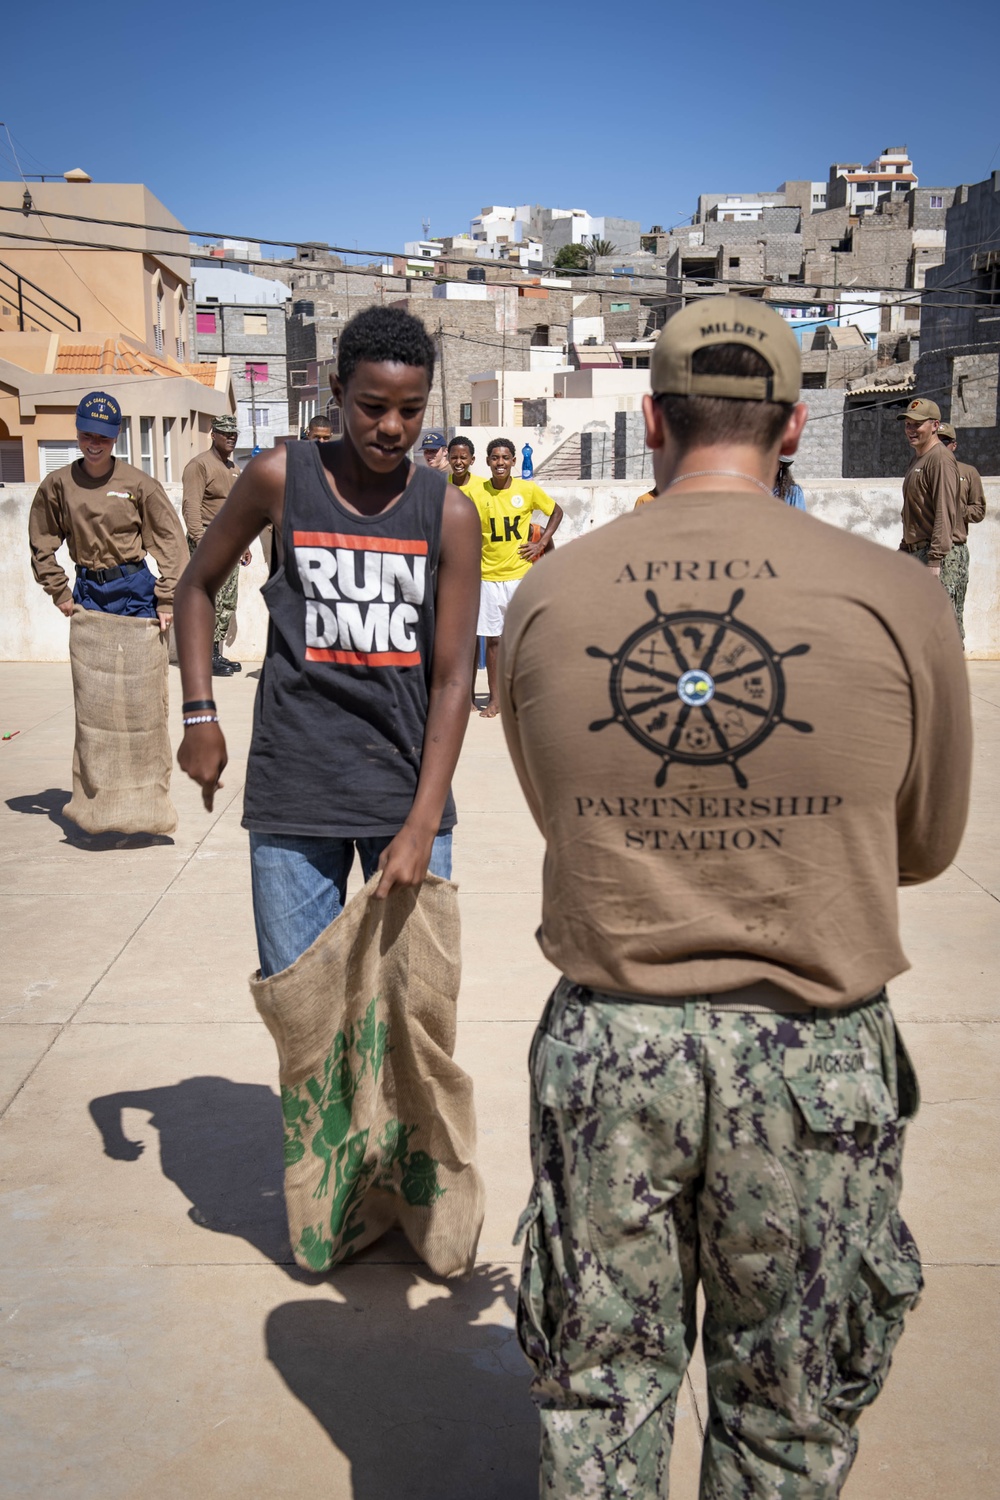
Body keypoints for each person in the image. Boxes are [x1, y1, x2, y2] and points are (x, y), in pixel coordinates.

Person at [499, 297, 971, 1498]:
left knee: (596, 1404)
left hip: (610, 1049)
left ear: (650, 420)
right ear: (796, 427)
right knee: (791, 1414)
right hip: (817, 1058)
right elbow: (921, 843)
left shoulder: (548, 599)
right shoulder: (905, 598)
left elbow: (564, 816)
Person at [173, 305, 481, 979]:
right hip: (294, 792)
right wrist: (200, 714)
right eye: (372, 406)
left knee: (406, 1025)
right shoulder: (281, 478)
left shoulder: (449, 513)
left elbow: (454, 679)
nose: (393, 427)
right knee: (302, 1012)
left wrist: (423, 824)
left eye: (412, 409)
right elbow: (194, 588)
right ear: (338, 392)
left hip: (404, 794)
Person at [29, 390, 185, 629]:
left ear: (116, 435)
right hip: (88, 592)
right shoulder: (58, 485)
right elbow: (41, 540)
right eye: (87, 435)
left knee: (141, 665)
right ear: (77, 431)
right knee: (92, 666)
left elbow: (170, 542)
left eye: (103, 437)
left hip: (135, 591)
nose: (94, 444)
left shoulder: (141, 484)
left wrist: (167, 599)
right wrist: (58, 590)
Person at [474, 437, 563, 718]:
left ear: (514, 461)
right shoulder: (478, 492)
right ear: (488, 461)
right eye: (495, 457)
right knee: (494, 642)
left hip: (519, 575)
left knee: (527, 638)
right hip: (488, 577)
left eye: (505, 458)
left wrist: (541, 542)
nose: (500, 462)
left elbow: (556, 511)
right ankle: (495, 700)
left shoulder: (528, 489)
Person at [181, 414, 249, 677]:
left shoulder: (232, 468)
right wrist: (200, 543)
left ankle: (215, 655)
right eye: (225, 433)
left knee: (226, 602)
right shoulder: (199, 466)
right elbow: (191, 509)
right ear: (213, 435)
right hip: (208, 542)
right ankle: (204, 658)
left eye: (234, 433)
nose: (231, 437)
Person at [896, 397, 961, 597]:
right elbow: (914, 510)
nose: (911, 430)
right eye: (908, 424)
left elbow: (944, 510)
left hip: (935, 559)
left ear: (934, 426)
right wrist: (905, 547)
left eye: (917, 424)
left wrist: (934, 561)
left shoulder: (940, 459)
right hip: (918, 554)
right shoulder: (918, 459)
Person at [937, 422, 986, 644]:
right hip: (927, 547)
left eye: (944, 442)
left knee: (951, 609)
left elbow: (979, 510)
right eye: (936, 441)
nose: (940, 445)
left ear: (953, 445)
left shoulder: (967, 473)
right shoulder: (924, 468)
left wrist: (957, 509)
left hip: (954, 549)